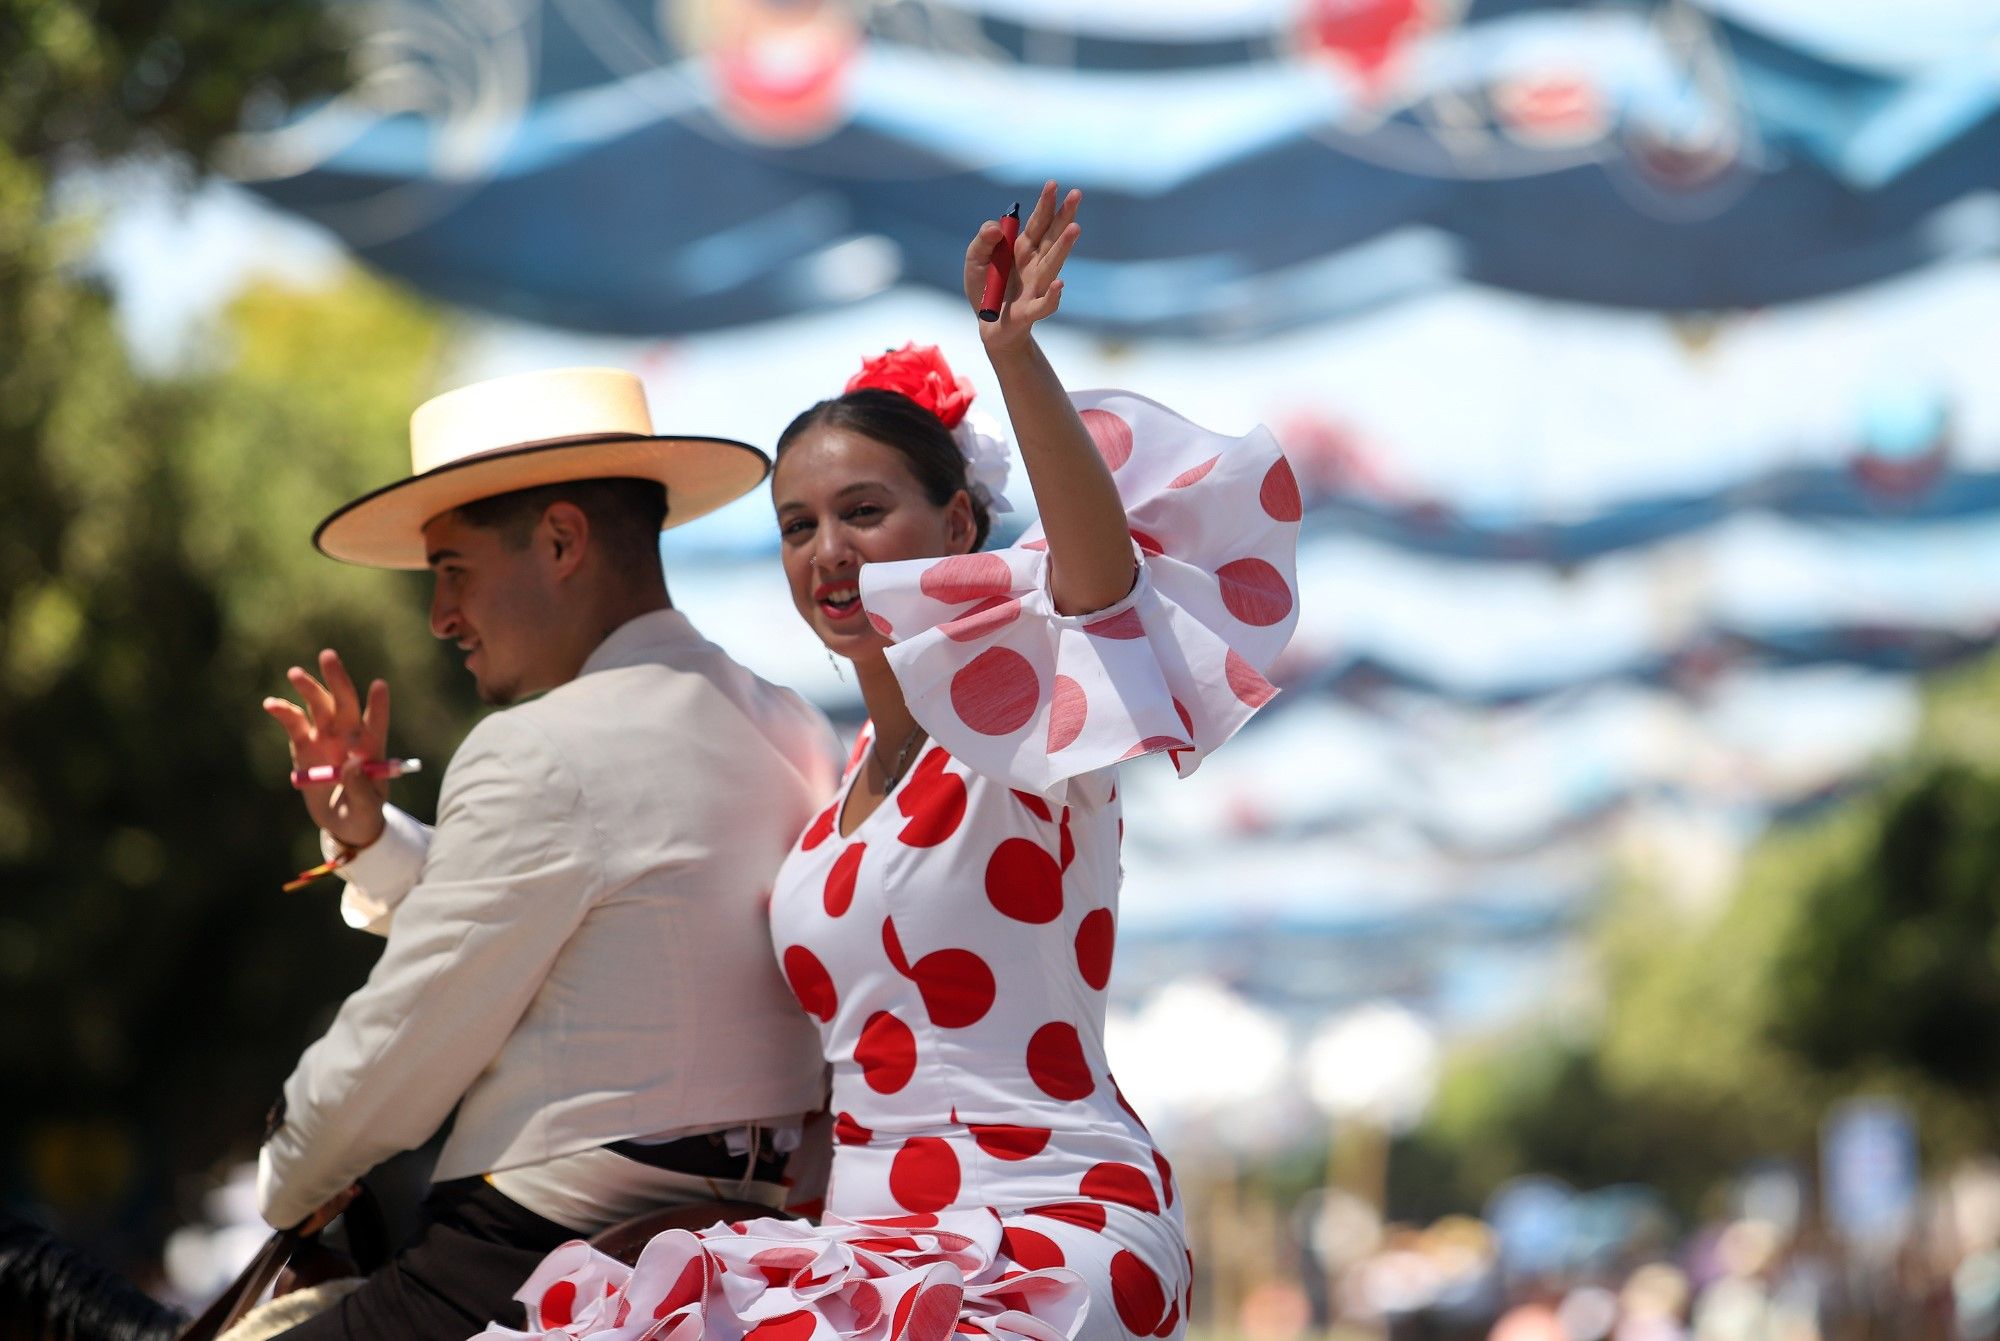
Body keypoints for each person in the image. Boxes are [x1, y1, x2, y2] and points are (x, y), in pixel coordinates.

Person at [492, 183, 1300, 1341]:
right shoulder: (829, 797)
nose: (827, 552)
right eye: (795, 524)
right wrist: (376, 843)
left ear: (960, 527)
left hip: (1043, 1234)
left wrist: (1013, 358)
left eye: (863, 510)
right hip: (859, 1247)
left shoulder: (1031, 727)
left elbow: (1102, 584)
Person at [256, 366, 843, 1341]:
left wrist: (286, 1178)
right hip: (754, 1250)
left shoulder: (535, 749)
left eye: (453, 571)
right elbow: (600, 922)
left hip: (523, 1263)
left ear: (562, 540)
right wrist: (368, 838)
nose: (441, 615)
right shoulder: (792, 727)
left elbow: (393, 1060)